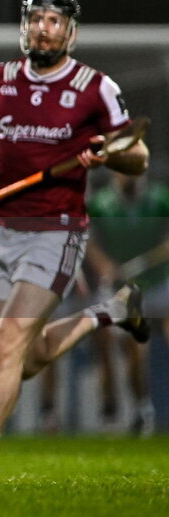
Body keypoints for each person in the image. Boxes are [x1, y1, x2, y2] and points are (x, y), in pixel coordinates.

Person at [0, 0, 150, 475]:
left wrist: (106, 153)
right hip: (6, 230)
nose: (43, 28)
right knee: (31, 357)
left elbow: (137, 157)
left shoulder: (94, 87)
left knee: (5, 345)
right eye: (36, 19)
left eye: (54, 21)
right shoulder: (2, 79)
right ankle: (109, 312)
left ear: (70, 32)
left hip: (58, 231)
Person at [86, 171, 169, 436]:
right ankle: (130, 409)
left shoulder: (160, 200)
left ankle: (142, 410)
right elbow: (89, 244)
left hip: (158, 283)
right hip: (119, 288)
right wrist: (106, 266)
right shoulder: (100, 203)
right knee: (127, 348)